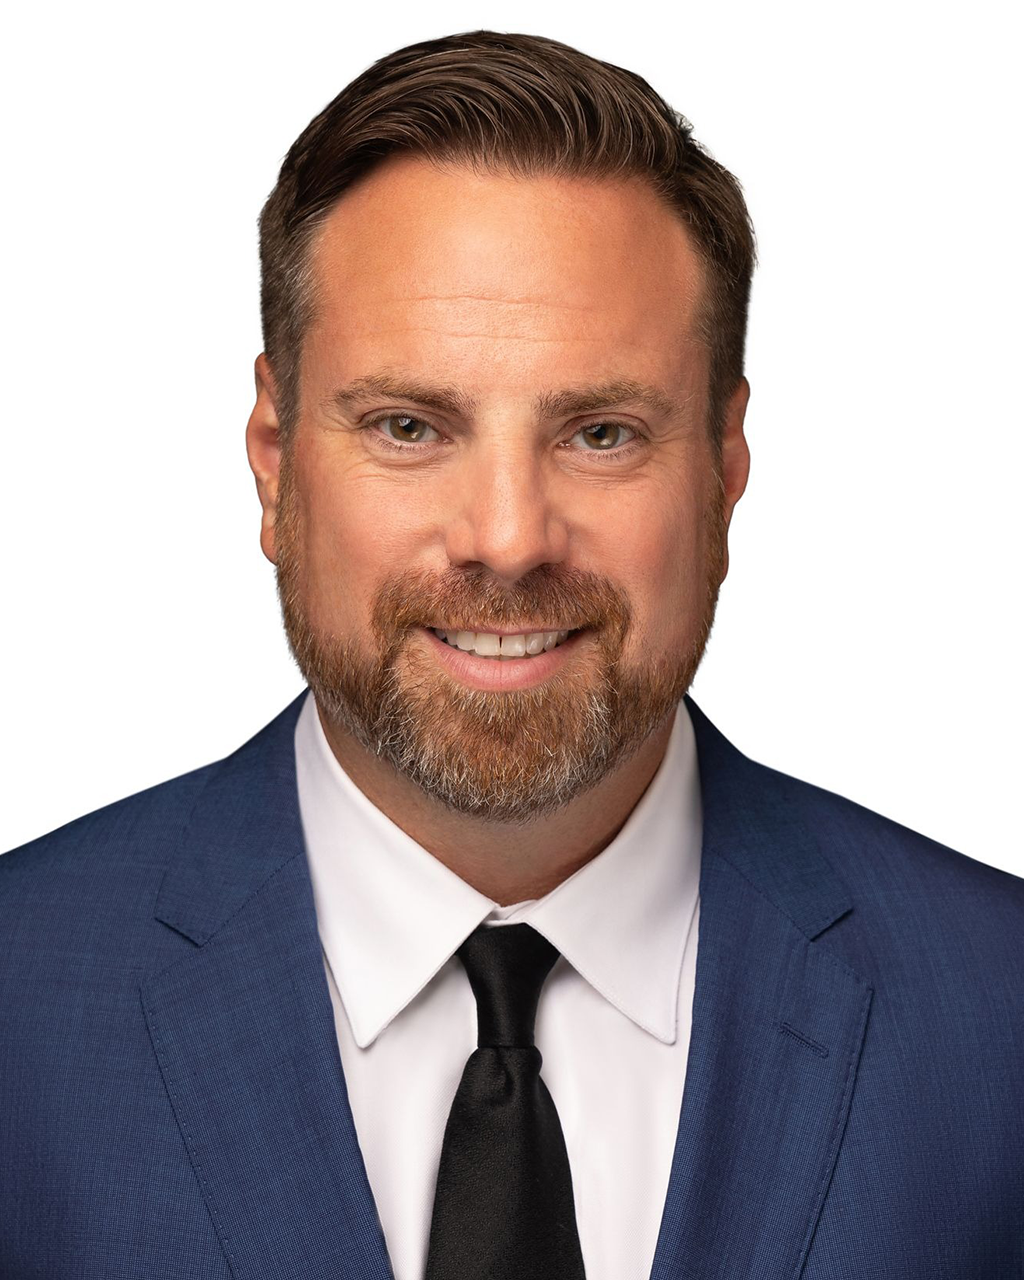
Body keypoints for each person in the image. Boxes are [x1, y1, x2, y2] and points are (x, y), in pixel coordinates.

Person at [1, 27, 1021, 1280]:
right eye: (407, 425)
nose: (507, 538)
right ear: (273, 463)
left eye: (600, 432)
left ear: (724, 464)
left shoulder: (998, 1010)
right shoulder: (19, 1003)